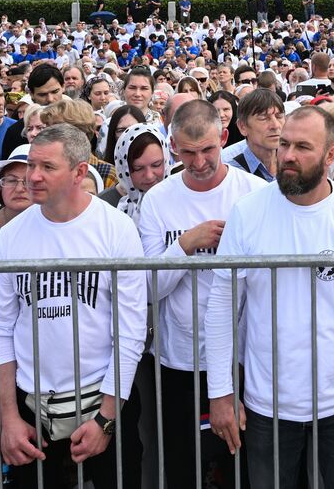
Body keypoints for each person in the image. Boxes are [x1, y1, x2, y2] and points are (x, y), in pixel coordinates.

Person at [205, 107, 334, 489]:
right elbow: (222, 306)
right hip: (264, 406)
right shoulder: (247, 212)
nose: (288, 155)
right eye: (284, 143)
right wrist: (221, 393)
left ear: (330, 156)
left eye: (303, 147)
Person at [0, 124, 148, 489]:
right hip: (32, 410)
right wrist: (8, 419)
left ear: (79, 172)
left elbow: (130, 330)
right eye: (31, 165)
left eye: (47, 167)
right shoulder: (12, 235)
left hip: (104, 398)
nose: (33, 176)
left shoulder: (116, 229)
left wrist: (106, 420)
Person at [136, 100, 264, 488]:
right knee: (184, 465)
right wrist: (184, 246)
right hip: (179, 361)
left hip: (242, 357)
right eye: (187, 152)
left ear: (224, 138)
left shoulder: (254, 193)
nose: (199, 161)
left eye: (208, 150)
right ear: (173, 146)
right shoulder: (158, 199)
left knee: (240, 464)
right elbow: (147, 288)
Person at [222, 88, 284, 182]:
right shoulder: (230, 176)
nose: (275, 125)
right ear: (242, 127)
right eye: (263, 118)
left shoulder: (296, 165)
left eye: (279, 116)